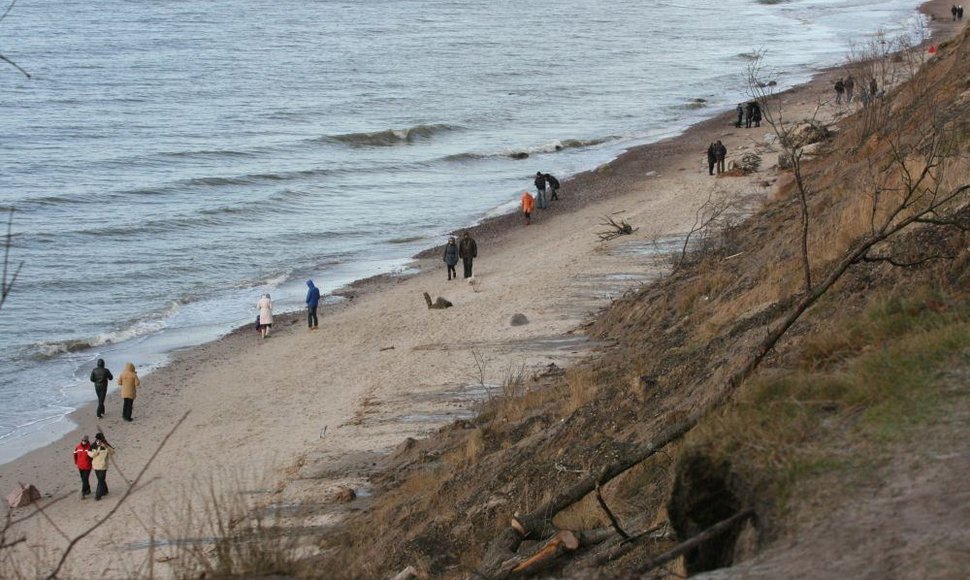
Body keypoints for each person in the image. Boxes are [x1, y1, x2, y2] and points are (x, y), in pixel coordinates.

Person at [87, 432, 115, 501]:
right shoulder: (93, 445)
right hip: (96, 466)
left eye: (100, 439)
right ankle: (105, 490)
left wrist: (105, 446)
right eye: (97, 439)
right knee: (101, 480)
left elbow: (112, 452)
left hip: (103, 466)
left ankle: (98, 495)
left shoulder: (105, 445)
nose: (98, 441)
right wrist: (95, 453)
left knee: (100, 480)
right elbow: (89, 454)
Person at [73, 434, 93, 499]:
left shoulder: (90, 447)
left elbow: (92, 457)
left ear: (87, 441)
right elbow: (75, 454)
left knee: (84, 479)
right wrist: (76, 462)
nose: (83, 441)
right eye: (82, 440)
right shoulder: (77, 447)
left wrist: (91, 463)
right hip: (80, 466)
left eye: (85, 440)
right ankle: (88, 489)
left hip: (88, 466)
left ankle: (83, 493)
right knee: (84, 479)